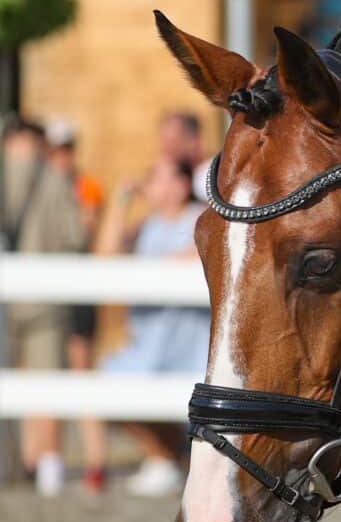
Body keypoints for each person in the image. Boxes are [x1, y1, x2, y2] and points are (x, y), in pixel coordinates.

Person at [95, 156, 210, 496]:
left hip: (188, 344)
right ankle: (168, 457)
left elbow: (199, 255)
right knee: (106, 391)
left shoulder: (199, 221)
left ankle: (172, 461)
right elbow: (105, 257)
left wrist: (148, 268)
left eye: (157, 176)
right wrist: (120, 202)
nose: (149, 183)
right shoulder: (147, 225)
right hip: (148, 345)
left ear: (179, 185)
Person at [2, 118, 87, 495]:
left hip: (14, 300)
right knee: (48, 379)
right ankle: (48, 469)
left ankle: (15, 465)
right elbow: (75, 236)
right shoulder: (55, 179)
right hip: (46, 300)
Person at [44, 117, 108, 493]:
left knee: (82, 371)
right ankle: (45, 460)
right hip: (49, 291)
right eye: (56, 151)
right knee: (44, 373)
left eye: (65, 149)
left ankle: (94, 460)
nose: (61, 157)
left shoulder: (85, 187)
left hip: (76, 292)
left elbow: (83, 233)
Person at [158, 110, 210, 202]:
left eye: (172, 142)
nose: (166, 151)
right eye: (164, 142)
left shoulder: (210, 178)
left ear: (193, 141)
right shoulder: (184, 176)